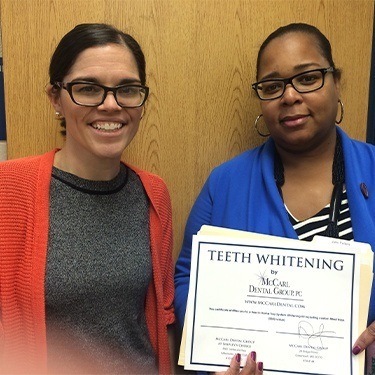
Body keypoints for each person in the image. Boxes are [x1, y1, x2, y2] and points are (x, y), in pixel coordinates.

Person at [174, 22, 375, 374]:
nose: (290, 96)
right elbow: (186, 281)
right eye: (272, 86)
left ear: (336, 82)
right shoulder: (225, 184)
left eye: (308, 78)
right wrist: (216, 350)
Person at [0, 23, 175, 374]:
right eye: (88, 88)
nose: (110, 105)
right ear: (55, 97)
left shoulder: (153, 193)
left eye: (127, 89)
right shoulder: (8, 189)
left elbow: (163, 316)